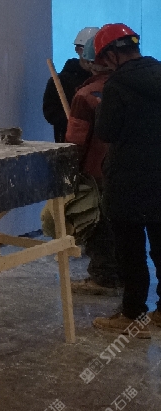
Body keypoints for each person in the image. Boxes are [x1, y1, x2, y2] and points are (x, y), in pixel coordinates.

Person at [90, 24, 161, 336]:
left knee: (130, 250)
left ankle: (132, 314)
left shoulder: (117, 84)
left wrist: (100, 109)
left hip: (128, 179)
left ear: (110, 55)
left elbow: (106, 132)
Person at [64, 37, 119, 294]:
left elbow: (76, 139)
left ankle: (103, 277)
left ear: (89, 62)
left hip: (95, 170)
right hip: (123, 168)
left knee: (97, 223)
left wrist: (71, 172)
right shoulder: (125, 88)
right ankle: (122, 274)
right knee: (120, 224)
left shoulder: (86, 95)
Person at [44, 26, 98, 142]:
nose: (91, 56)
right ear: (78, 49)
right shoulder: (60, 81)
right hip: (68, 142)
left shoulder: (104, 80)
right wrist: (75, 122)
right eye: (87, 50)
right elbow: (50, 113)